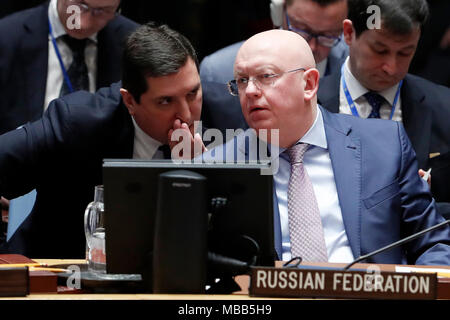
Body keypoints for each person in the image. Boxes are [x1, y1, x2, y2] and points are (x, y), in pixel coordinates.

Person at [202, 29, 450, 264]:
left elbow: (432, 242)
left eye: (266, 77)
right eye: (242, 81)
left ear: (308, 84)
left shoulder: (385, 145)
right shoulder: (218, 165)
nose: (251, 91)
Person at [0, 22, 204, 258]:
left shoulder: (222, 118)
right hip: (59, 278)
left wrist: (203, 174)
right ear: (129, 102)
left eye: (192, 93)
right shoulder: (79, 123)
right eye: (165, 101)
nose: (187, 115)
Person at [317, 0, 450, 217]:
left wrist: (419, 207)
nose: (392, 67)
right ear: (349, 33)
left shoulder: (444, 108)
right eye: (380, 50)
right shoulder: (307, 106)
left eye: (405, 53)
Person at [200, 0, 349, 135]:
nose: (312, 46)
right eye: (302, 29)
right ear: (277, 13)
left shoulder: (353, 65)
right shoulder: (218, 72)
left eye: (328, 35)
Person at [0, 0, 139, 135]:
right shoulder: (6, 37)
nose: (83, 24)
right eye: (81, 5)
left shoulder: (134, 43)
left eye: (102, 11)